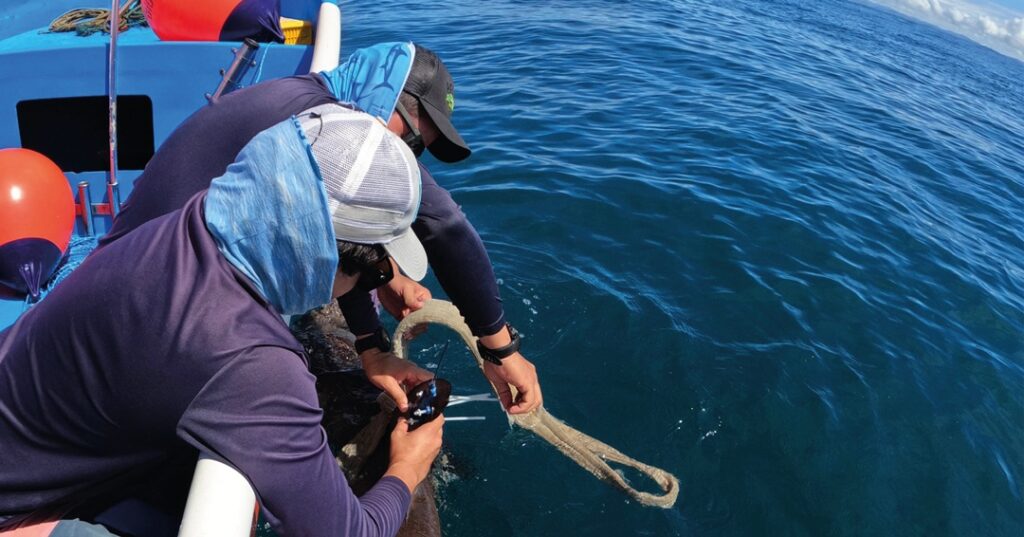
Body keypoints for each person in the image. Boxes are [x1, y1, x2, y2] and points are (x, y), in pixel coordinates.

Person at [0, 107, 442, 536]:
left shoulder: (196, 218)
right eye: (379, 272)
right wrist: (407, 467)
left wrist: (372, 346)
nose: (378, 280)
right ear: (331, 261)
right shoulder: (254, 365)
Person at [97, 42, 542, 416]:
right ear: (384, 97)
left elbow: (329, 236)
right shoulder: (324, 128)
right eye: (409, 141)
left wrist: (372, 337)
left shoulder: (304, 107)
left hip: (139, 274)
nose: (405, 157)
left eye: (416, 151)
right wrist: (501, 350)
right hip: (138, 315)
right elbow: (446, 227)